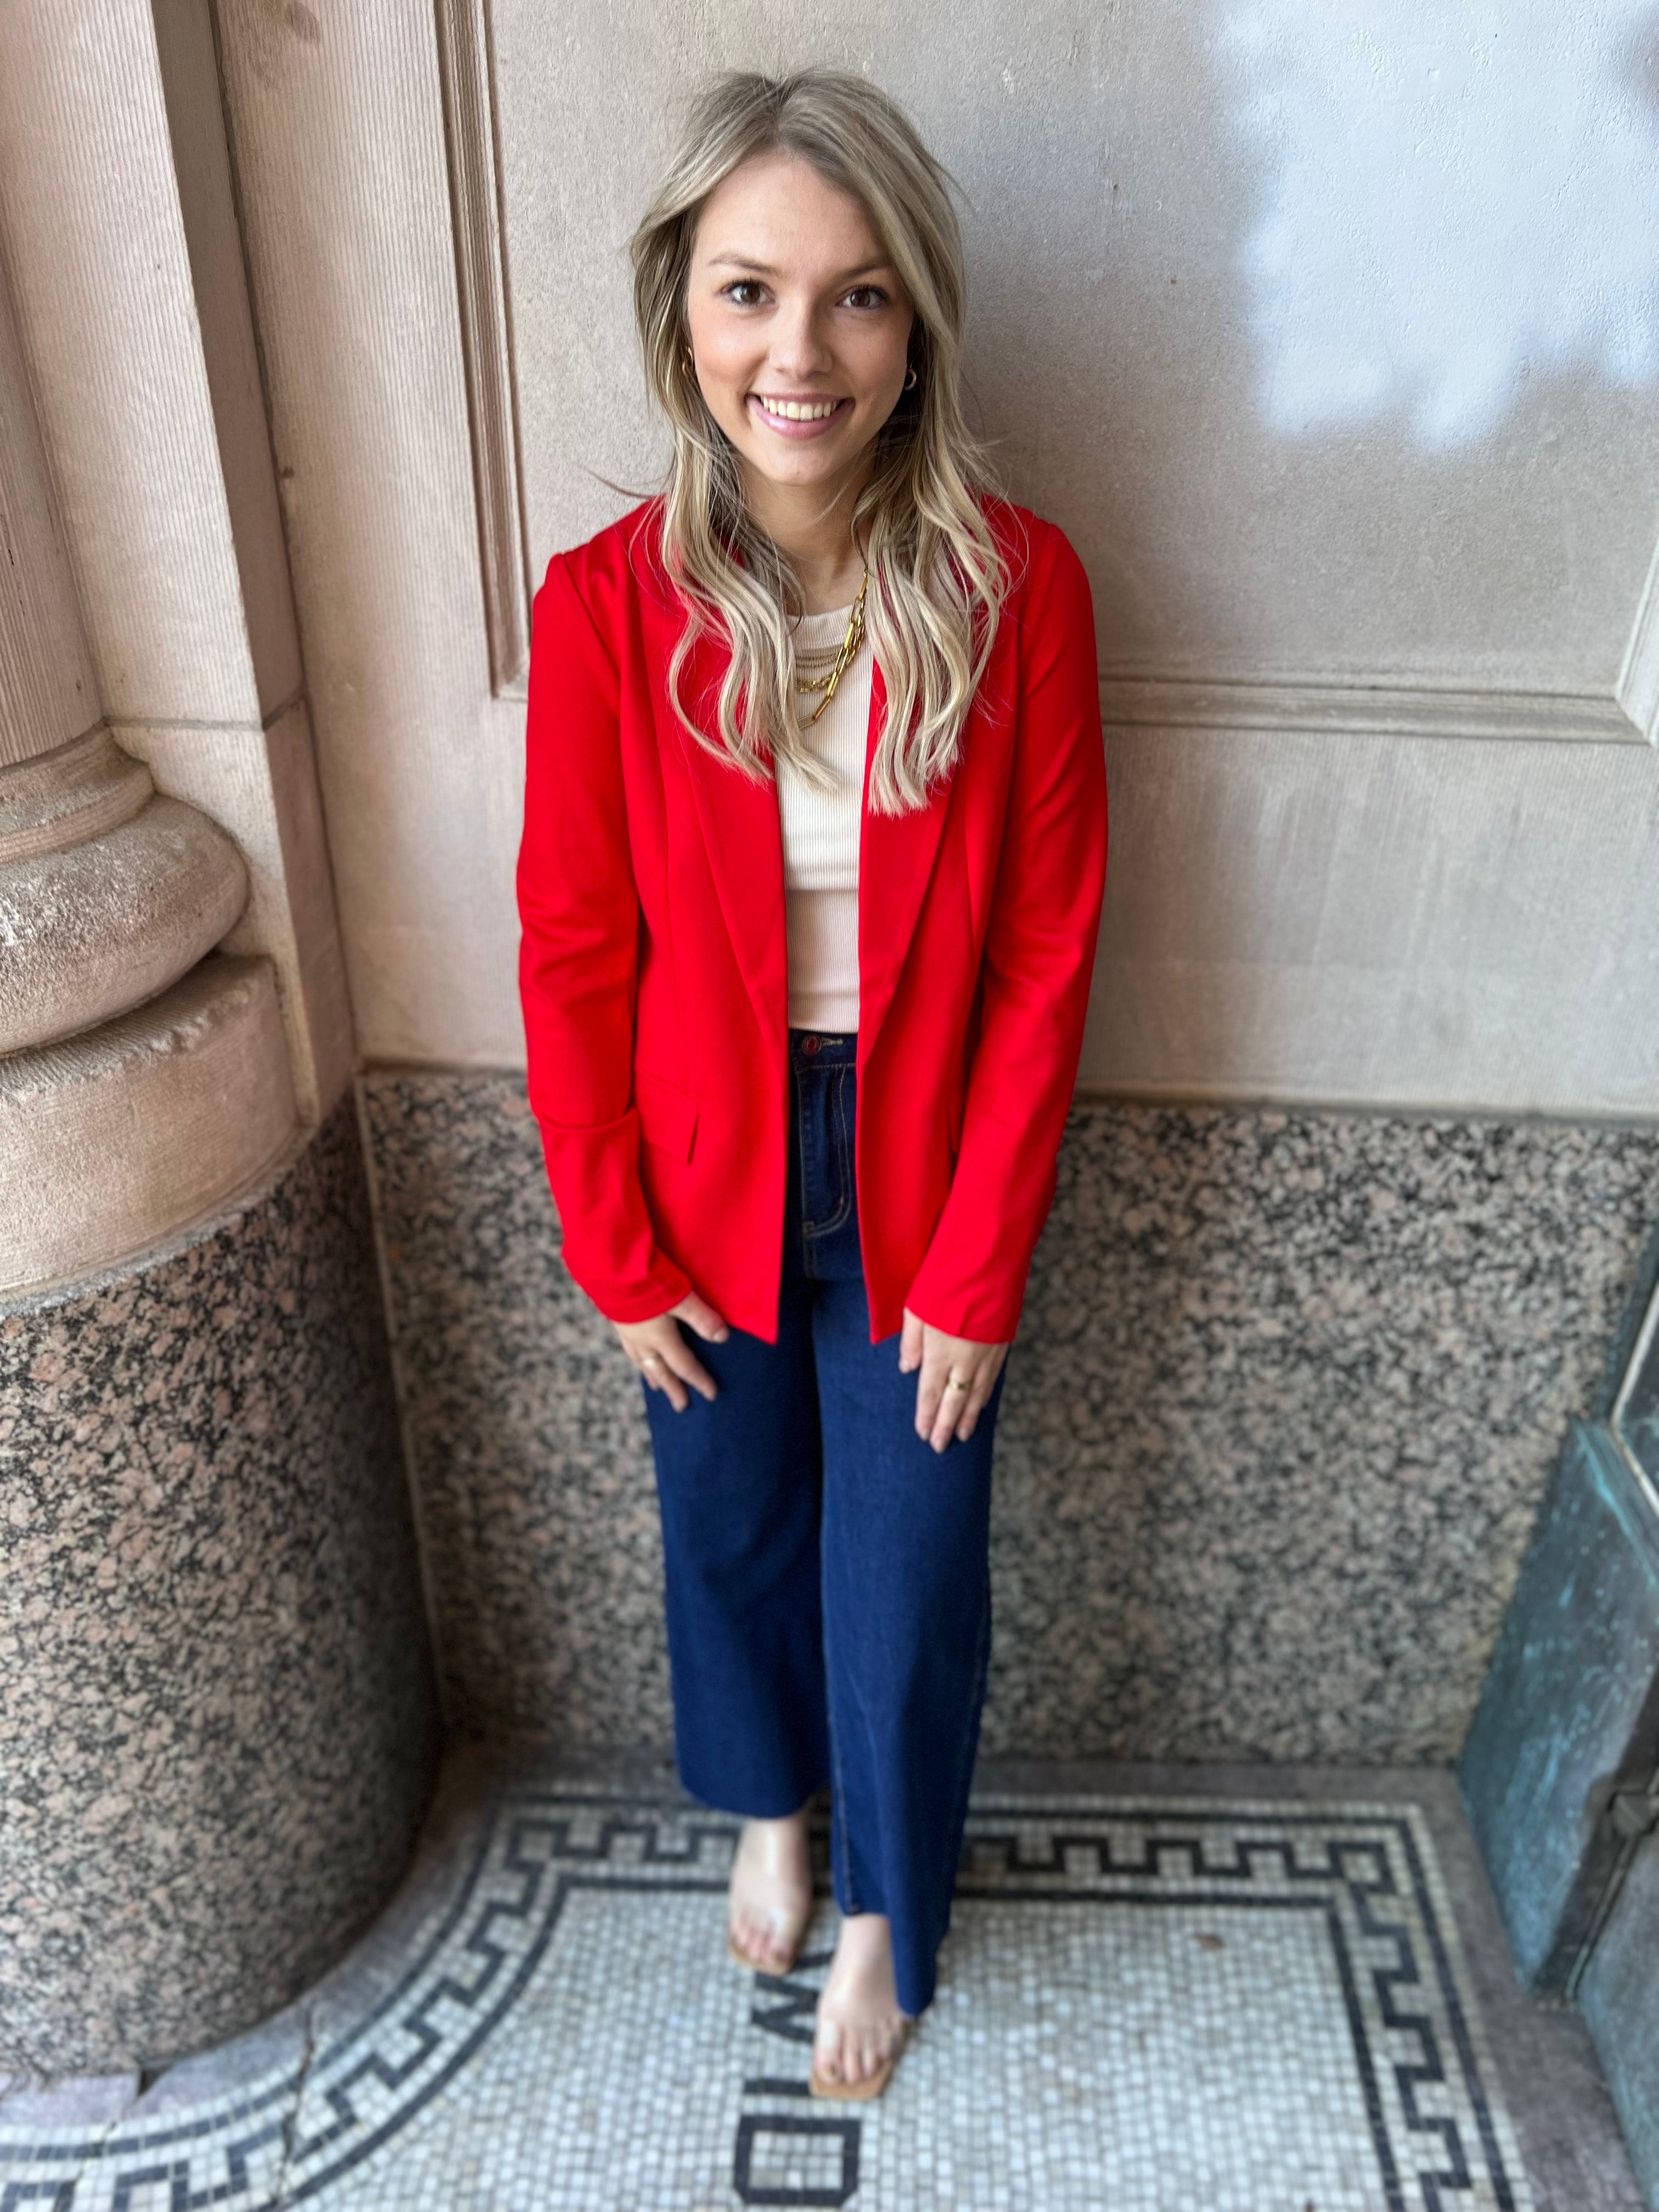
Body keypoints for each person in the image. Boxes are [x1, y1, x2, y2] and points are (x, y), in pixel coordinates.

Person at [516, 65, 1107, 2101]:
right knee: (731, 1525)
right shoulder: (605, 610)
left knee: (910, 1569)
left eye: (857, 295)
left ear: (915, 321)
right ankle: (771, 1806)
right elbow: (575, 953)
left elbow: (1043, 955)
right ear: (681, 309)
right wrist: (612, 1244)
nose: (801, 351)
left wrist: (986, 1263)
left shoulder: (1020, 591)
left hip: (928, 1165)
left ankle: (884, 1908)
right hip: (706, 1161)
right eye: (750, 291)